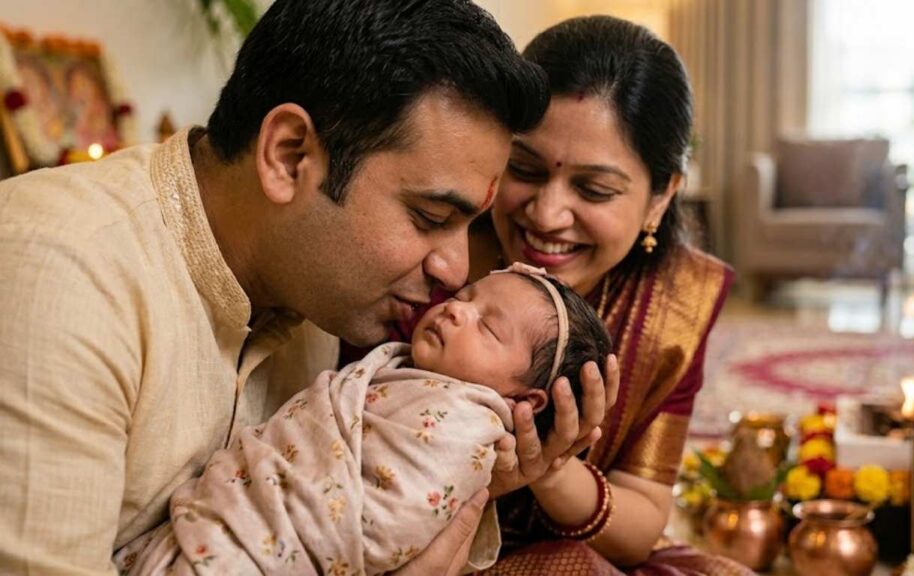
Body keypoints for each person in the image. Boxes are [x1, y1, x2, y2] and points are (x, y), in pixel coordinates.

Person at [0, 2, 618, 574]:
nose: (456, 272)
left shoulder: (316, 294)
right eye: (430, 217)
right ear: (290, 155)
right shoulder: (58, 276)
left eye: (468, 227)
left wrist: (456, 472)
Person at [472, 16, 748, 574]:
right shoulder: (442, 251)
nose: (547, 215)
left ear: (659, 198)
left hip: (578, 546)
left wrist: (551, 469)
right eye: (523, 168)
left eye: (594, 189)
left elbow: (639, 528)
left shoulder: (674, 305)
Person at [113, 265, 611, 574]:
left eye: (489, 327)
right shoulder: (402, 367)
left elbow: (395, 517)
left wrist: (296, 527)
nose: (457, 312)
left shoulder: (466, 427)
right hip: (246, 494)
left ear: (526, 400)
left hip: (284, 540)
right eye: (466, 298)